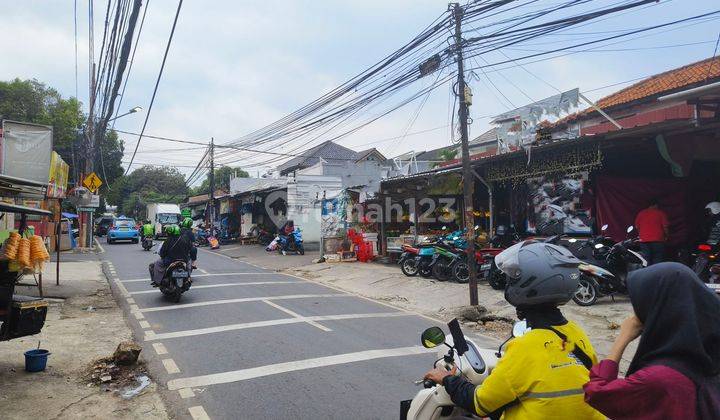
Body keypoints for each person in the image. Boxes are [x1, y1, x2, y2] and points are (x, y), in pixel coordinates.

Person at [423, 241, 605, 419]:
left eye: (514, 277)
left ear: (528, 284)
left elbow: (480, 403)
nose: (509, 281)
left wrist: (448, 379)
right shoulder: (576, 332)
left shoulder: (524, 347)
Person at [583, 262, 720, 419]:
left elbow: (597, 393)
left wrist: (622, 338)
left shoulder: (657, 379)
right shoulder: (707, 356)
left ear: (660, 308)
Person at [634, 199, 669, 265]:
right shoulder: (660, 213)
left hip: (644, 240)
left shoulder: (641, 213)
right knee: (658, 258)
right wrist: (667, 236)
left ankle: (647, 273)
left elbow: (637, 226)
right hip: (658, 240)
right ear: (655, 205)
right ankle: (656, 273)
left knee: (646, 259)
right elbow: (665, 227)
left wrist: (642, 234)